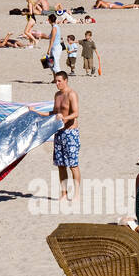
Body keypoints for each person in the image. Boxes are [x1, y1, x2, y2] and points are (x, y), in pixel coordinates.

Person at [52, 72, 81, 201]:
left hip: (70, 132)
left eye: (59, 81)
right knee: (61, 165)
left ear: (66, 80)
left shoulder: (71, 94)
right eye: (56, 81)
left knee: (73, 165)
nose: (57, 84)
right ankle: (64, 193)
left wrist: (65, 118)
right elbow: (54, 112)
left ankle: (77, 193)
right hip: (59, 133)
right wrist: (36, 112)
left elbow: (76, 113)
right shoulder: (57, 95)